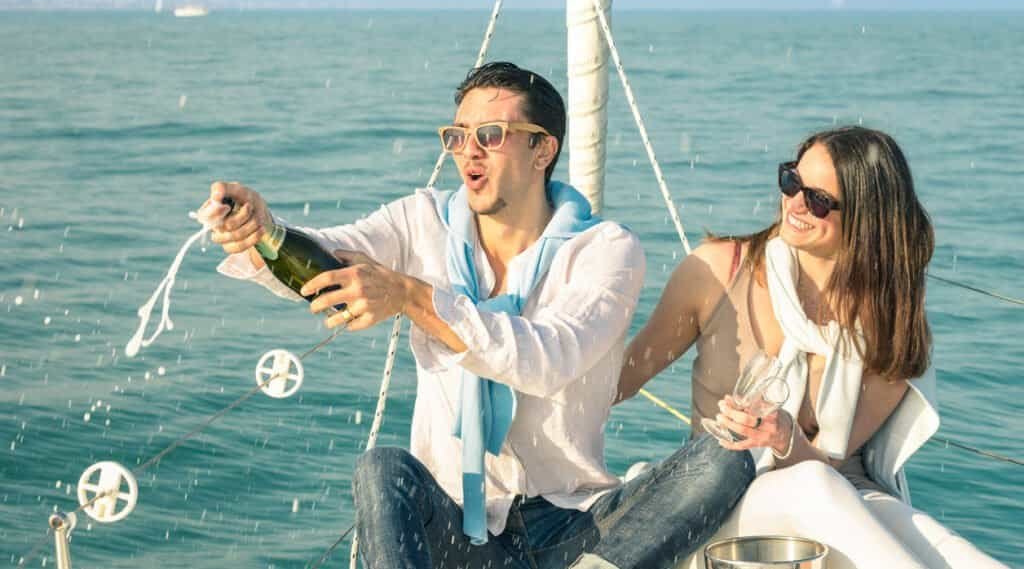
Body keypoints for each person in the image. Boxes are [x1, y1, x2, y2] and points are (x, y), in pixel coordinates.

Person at [204, 61, 755, 569]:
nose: (469, 151)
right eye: (458, 136)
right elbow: (328, 260)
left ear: (542, 150)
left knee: (725, 458)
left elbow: (547, 357)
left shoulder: (606, 250)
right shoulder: (420, 222)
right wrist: (262, 234)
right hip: (454, 523)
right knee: (383, 469)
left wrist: (415, 298)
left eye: (491, 136)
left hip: (574, 522)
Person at [617, 126, 1008, 569]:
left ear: (867, 217)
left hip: (841, 492)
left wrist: (785, 439)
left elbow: (831, 462)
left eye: (819, 200)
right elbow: (620, 380)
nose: (796, 203)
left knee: (950, 551)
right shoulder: (721, 271)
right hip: (720, 500)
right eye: (791, 181)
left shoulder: (888, 318)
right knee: (815, 488)